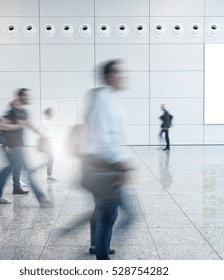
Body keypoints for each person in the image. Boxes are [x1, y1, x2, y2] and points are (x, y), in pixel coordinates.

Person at [81, 60, 133, 260]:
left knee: (104, 209)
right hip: (105, 165)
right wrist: (120, 164)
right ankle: (101, 253)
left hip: (101, 164)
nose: (123, 78)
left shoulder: (105, 97)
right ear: (111, 76)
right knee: (114, 215)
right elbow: (105, 135)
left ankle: (98, 245)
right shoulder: (104, 98)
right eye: (120, 74)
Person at [0, 88, 52, 207]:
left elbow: (30, 124)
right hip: (14, 147)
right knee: (28, 172)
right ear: (21, 97)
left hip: (19, 145)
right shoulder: (12, 112)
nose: (29, 98)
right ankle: (41, 198)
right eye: (26, 96)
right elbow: (0, 125)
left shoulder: (23, 111)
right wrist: (16, 128)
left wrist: (43, 134)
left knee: (9, 169)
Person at [40, 108, 57, 182]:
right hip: (46, 143)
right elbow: (42, 132)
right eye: (52, 112)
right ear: (48, 114)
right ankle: (49, 176)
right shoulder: (44, 122)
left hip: (50, 143)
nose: (53, 114)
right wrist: (48, 136)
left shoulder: (51, 122)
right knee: (50, 159)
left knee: (50, 159)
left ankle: (49, 175)